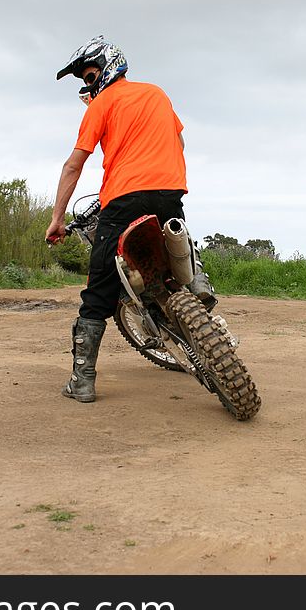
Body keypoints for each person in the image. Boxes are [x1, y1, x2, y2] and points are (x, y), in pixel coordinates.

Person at [46, 35, 216, 403]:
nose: (88, 86)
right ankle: (198, 285)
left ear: (108, 66)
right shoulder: (157, 94)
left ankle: (82, 381)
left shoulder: (102, 103)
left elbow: (75, 163)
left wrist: (57, 219)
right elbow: (180, 144)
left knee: (96, 294)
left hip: (123, 202)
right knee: (179, 242)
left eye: (89, 77)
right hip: (171, 193)